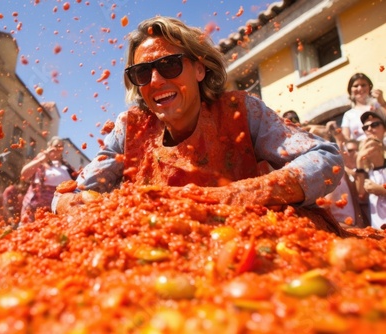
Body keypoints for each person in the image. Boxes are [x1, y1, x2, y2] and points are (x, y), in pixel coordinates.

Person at [54, 17, 345, 234]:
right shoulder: (130, 128)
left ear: (199, 68)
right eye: (141, 72)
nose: (155, 81)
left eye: (169, 65)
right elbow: (76, 193)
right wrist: (64, 205)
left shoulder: (240, 112)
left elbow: (325, 159)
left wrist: (238, 195)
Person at [21, 136, 74, 223]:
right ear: (50, 146)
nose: (58, 149)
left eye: (61, 147)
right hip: (33, 207)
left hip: (53, 210)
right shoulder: (41, 158)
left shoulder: (66, 167)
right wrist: (42, 159)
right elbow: (24, 174)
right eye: (56, 146)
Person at [355, 111, 386, 230]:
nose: (370, 129)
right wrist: (359, 164)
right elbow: (361, 195)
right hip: (379, 231)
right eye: (365, 127)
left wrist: (381, 191)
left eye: (375, 125)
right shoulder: (366, 170)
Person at [340, 73, 386, 142]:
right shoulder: (348, 115)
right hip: (362, 148)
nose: (360, 88)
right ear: (350, 90)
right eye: (356, 86)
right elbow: (346, 139)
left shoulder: (378, 105)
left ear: (370, 87)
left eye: (363, 85)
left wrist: (382, 102)